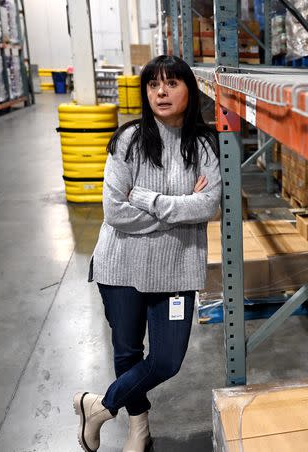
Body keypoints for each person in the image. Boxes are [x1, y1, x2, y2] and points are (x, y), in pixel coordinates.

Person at [73, 55, 221, 452]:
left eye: (172, 83)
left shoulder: (205, 144)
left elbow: (209, 206)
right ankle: (139, 431)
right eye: (153, 84)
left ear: (190, 90)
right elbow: (115, 213)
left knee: (167, 359)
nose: (161, 91)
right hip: (120, 266)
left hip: (176, 271)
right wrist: (178, 209)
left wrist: (146, 198)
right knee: (128, 351)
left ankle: (99, 407)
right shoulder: (128, 141)